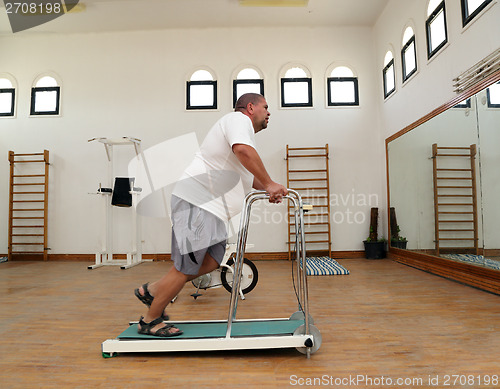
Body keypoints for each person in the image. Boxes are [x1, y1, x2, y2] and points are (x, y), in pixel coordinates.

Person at [134, 93, 288, 337]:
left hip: (212, 211)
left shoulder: (241, 132)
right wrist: (269, 183)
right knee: (187, 266)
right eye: (265, 107)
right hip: (199, 203)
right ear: (250, 107)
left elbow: (249, 176)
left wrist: (269, 185)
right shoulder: (238, 121)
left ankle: (152, 290)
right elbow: (244, 152)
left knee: (213, 261)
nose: (269, 113)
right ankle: (150, 320)